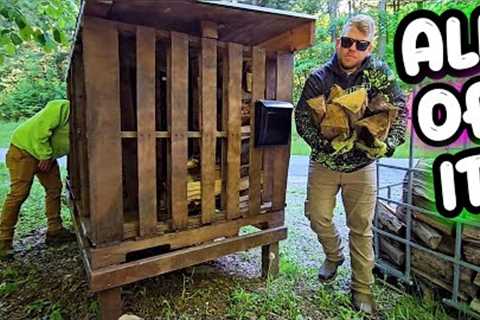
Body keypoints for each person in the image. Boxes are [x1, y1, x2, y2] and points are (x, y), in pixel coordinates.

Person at [295, 14, 407, 315]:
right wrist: (326, 144)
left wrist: (388, 143)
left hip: (362, 166)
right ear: (338, 41)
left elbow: (400, 111)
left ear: (369, 48)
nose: (352, 49)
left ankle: (362, 289)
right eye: (347, 42)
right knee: (318, 217)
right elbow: (302, 120)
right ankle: (334, 254)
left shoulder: (380, 75)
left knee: (361, 228)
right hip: (325, 163)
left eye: (361, 44)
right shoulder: (318, 78)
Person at [0, 99, 73, 259]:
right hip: (23, 150)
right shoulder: (62, 107)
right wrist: (45, 156)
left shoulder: (88, 118)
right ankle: (3, 242)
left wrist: (46, 156)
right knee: (19, 194)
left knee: (54, 189)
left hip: (45, 156)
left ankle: (55, 231)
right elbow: (40, 131)